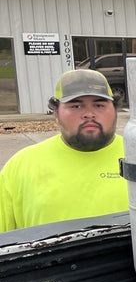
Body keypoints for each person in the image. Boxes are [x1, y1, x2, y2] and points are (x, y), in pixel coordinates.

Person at [0, 69, 128, 231]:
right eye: (76, 105)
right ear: (56, 113)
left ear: (115, 110)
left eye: (99, 105)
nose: (89, 114)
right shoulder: (21, 166)